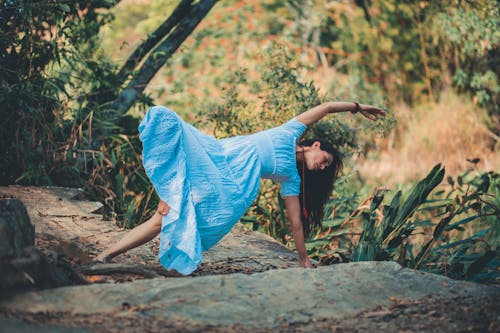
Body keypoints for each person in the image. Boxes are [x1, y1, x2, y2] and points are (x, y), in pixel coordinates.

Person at [96, 101, 385, 274]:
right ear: (315, 146)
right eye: (325, 160)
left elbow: (296, 223)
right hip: (215, 156)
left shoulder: (291, 178)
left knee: (163, 220)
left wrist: (303, 258)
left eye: (325, 168)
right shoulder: (290, 131)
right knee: (169, 122)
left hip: (228, 188)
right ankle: (107, 254)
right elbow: (325, 108)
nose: (323, 166)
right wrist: (358, 108)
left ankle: (106, 255)